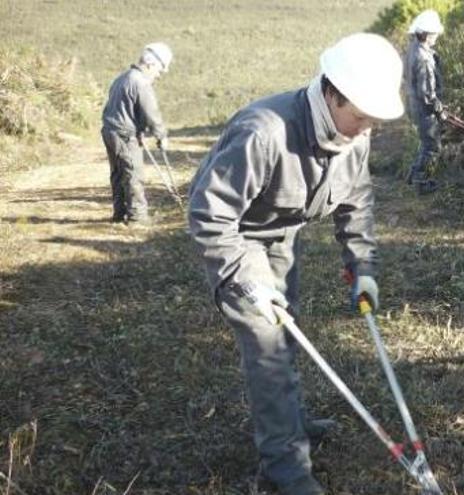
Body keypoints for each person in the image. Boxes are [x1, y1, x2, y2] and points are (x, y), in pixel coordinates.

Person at [187, 33, 404, 495]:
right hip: (238, 241)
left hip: (282, 236)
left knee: (289, 331)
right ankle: (283, 468)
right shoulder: (263, 131)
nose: (366, 128)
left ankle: (290, 421)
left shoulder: (355, 137)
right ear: (332, 93)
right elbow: (209, 213)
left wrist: (362, 266)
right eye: (360, 116)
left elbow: (356, 202)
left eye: (373, 120)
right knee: (268, 348)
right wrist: (247, 279)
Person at [100, 42, 172, 224]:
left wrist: (138, 129)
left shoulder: (122, 78)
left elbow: (124, 109)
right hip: (124, 134)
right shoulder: (140, 82)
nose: (159, 75)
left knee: (118, 174)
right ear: (150, 63)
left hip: (110, 131)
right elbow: (151, 113)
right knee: (133, 174)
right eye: (160, 71)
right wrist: (161, 136)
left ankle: (119, 214)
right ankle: (137, 218)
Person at [404, 9, 445, 195]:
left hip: (414, 105)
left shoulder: (413, 48)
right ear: (427, 34)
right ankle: (423, 183)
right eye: (435, 33)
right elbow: (427, 93)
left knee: (425, 143)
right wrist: (439, 109)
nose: (436, 37)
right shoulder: (424, 59)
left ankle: (412, 175)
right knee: (433, 147)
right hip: (423, 108)